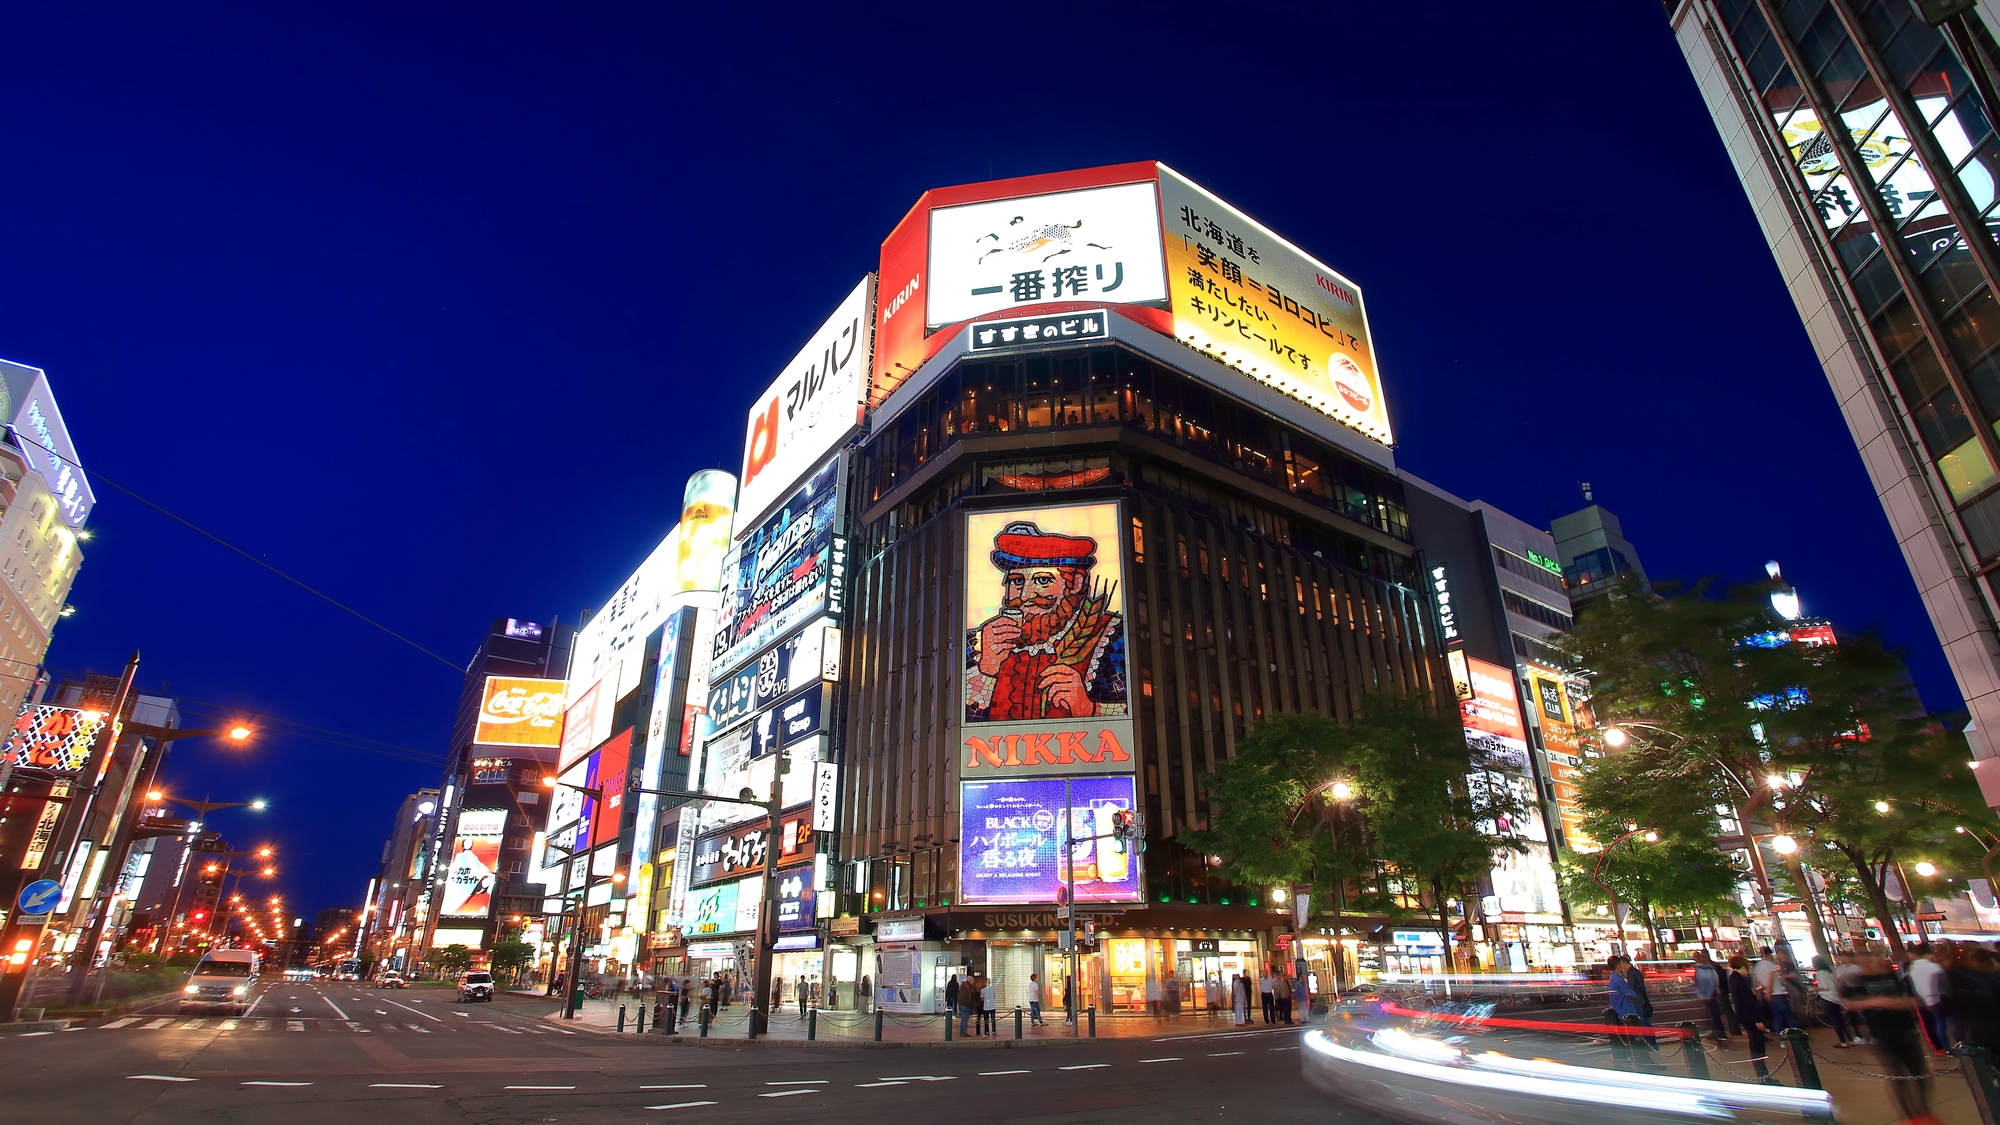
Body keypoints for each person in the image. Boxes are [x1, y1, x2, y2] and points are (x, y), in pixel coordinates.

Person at [1843, 950, 1936, 1123]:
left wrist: (1902, 1003)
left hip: (1906, 1028)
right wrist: (1876, 1002)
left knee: (1919, 1072)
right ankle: (1911, 1116)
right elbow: (1848, 1003)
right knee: (1898, 1074)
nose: (1872, 963)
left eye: (1875, 959)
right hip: (1882, 1033)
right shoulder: (1856, 981)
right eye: (1866, 960)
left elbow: (1915, 999)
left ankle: (1925, 1112)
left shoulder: (1897, 977)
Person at [1727, 954, 1771, 1080]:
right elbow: (1747, 1001)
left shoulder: (1732, 978)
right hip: (1750, 1017)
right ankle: (1763, 1075)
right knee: (1757, 1045)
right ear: (1743, 967)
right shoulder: (1739, 979)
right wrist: (1757, 1020)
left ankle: (1763, 1075)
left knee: (1755, 1043)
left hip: (1744, 1015)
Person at [1907, 945, 1947, 1055]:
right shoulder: (1935, 967)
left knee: (1929, 1025)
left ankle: (1939, 1048)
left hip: (1922, 1000)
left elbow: (1911, 986)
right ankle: (1947, 1047)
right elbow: (1944, 984)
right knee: (1941, 1023)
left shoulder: (1911, 968)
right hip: (1939, 999)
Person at [1811, 954, 1854, 1048]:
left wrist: (1816, 989)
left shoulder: (1820, 973)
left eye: (1813, 963)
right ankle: (1850, 1040)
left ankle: (1843, 1042)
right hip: (1835, 997)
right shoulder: (1830, 971)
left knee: (1835, 1021)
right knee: (1840, 1020)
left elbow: (1825, 987)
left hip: (1827, 998)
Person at [1692, 951, 1730, 1041]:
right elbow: (1715, 982)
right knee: (1715, 1013)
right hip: (1713, 994)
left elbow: (1701, 983)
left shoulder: (1702, 970)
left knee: (1714, 1013)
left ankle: (1718, 1032)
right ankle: (1719, 1031)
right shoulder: (1711, 969)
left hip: (1709, 995)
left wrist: (1703, 995)